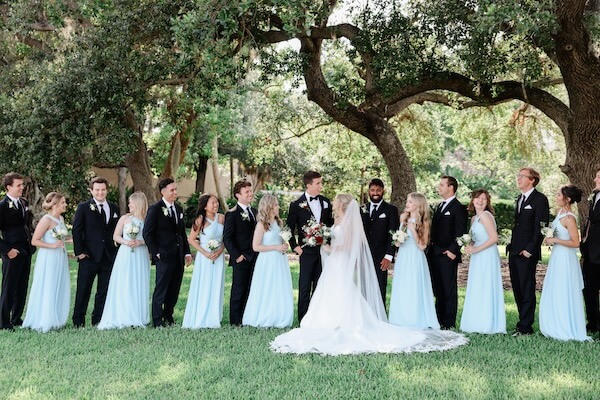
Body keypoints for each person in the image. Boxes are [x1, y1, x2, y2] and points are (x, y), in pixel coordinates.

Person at [270, 194, 468, 355]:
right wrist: (322, 241)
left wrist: (330, 249)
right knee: (335, 291)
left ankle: (343, 321)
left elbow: (346, 244)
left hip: (339, 261)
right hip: (334, 263)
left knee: (341, 290)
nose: (332, 204)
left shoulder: (347, 222)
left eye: (335, 202)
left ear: (341, 205)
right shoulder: (337, 219)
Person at [539, 185, 591, 341]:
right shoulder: (559, 213)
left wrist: (555, 239)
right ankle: (555, 322)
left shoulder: (569, 217)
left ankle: (567, 326)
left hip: (566, 260)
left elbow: (576, 242)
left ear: (567, 199)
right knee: (556, 288)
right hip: (557, 257)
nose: (556, 197)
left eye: (558, 195)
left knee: (564, 288)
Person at [143, 178, 192, 328]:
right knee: (161, 289)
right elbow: (147, 233)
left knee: (174, 288)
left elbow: (182, 233)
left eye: (175, 189)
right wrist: (156, 252)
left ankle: (168, 316)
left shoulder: (178, 209)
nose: (175, 192)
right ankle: (157, 320)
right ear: (163, 192)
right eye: (172, 190)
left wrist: (187, 252)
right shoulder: (155, 209)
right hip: (163, 256)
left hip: (178, 255)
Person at [72, 177, 120, 327]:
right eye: (97, 190)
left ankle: (98, 319)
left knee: (103, 291)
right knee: (83, 289)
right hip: (89, 256)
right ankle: (78, 320)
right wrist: (80, 252)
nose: (100, 192)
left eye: (103, 189)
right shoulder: (83, 207)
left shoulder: (114, 208)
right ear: (91, 191)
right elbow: (76, 231)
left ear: (107, 190)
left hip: (108, 256)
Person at [98, 192, 150, 329]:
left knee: (138, 282)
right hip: (125, 254)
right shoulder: (125, 219)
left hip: (140, 254)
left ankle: (138, 315)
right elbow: (115, 236)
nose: (129, 205)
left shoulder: (147, 220)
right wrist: (126, 242)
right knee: (125, 282)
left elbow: (151, 239)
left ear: (138, 203)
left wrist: (140, 241)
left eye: (131, 202)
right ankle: (123, 314)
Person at [286, 171, 333, 322]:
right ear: (309, 185)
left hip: (323, 251)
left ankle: (317, 317)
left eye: (321, 182)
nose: (321, 186)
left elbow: (330, 225)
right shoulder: (296, 204)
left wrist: (328, 243)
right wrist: (295, 247)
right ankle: (303, 319)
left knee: (320, 285)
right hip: (306, 252)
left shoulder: (326, 202)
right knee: (305, 285)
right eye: (318, 183)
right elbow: (288, 229)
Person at [507, 167, 549, 336]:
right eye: (518, 176)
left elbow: (541, 227)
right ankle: (520, 323)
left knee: (526, 288)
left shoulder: (540, 199)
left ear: (532, 180)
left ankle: (526, 327)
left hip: (526, 253)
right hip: (514, 251)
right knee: (517, 288)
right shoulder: (519, 199)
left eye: (522, 176)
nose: (518, 179)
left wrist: (529, 250)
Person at [388, 193, 439, 329]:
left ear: (418, 204)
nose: (407, 204)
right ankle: (400, 318)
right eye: (407, 201)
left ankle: (415, 318)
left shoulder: (424, 222)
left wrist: (413, 231)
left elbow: (422, 246)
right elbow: (398, 243)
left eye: (410, 202)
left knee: (414, 286)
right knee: (402, 286)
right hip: (403, 257)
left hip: (415, 258)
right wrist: (398, 238)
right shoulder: (404, 218)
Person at [243, 194, 294, 328]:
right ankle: (265, 315)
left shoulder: (279, 223)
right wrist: (276, 247)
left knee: (278, 287)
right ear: (269, 206)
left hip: (279, 260)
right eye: (276, 205)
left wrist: (283, 245)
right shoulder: (261, 225)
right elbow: (256, 246)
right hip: (267, 260)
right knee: (267, 287)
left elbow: (280, 240)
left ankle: (279, 315)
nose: (278, 207)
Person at [22, 192, 70, 332]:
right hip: (48, 257)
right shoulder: (46, 220)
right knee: (48, 284)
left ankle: (56, 317)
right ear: (54, 205)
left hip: (60, 256)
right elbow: (34, 240)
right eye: (62, 203)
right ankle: (45, 319)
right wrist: (51, 246)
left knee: (58, 284)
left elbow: (60, 239)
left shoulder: (60, 218)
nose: (65, 205)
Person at [460, 189, 506, 334]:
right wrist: (469, 246)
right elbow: (476, 238)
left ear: (487, 202)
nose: (480, 201)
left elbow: (494, 238)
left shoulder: (486, 216)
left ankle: (487, 323)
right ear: (473, 200)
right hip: (477, 256)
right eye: (478, 198)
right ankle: (475, 321)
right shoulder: (474, 219)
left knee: (486, 286)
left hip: (487, 255)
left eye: (484, 199)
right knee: (477, 286)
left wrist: (476, 249)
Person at [428, 176, 468, 329]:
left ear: (451, 187)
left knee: (448, 289)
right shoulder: (439, 206)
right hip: (434, 253)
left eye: (442, 185)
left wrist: (453, 251)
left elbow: (461, 232)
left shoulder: (459, 208)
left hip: (447, 255)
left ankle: (448, 322)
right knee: (438, 288)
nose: (439, 187)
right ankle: (438, 319)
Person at [182, 194, 225, 329]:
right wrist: (205, 252)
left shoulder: (222, 218)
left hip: (219, 257)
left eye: (217, 202)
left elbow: (226, 238)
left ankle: (214, 317)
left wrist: (219, 251)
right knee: (205, 284)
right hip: (205, 258)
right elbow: (191, 239)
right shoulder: (200, 220)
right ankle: (201, 315)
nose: (215, 205)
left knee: (217, 284)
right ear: (205, 206)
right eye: (212, 203)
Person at [0, 172, 35, 330]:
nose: (22, 188)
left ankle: (16, 318)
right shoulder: (2, 206)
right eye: (19, 185)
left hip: (26, 250)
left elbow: (26, 225)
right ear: (9, 187)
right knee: (9, 288)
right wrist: (7, 250)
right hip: (12, 252)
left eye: (22, 184)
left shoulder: (23, 202)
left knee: (22, 286)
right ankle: (3, 321)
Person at [223, 180, 258, 326]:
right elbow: (227, 238)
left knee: (251, 288)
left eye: (251, 191)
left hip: (256, 256)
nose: (250, 194)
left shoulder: (256, 212)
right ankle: (235, 321)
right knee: (238, 289)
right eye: (247, 192)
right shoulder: (232, 214)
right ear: (238, 195)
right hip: (241, 258)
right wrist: (237, 256)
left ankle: (247, 317)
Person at [361, 178, 400, 305]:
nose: (375, 193)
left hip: (382, 256)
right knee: (363, 287)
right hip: (364, 255)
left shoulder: (391, 210)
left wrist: (389, 256)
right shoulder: (362, 209)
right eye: (372, 190)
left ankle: (380, 318)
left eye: (378, 190)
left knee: (380, 287)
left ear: (383, 191)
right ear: (369, 191)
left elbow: (393, 234)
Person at [581, 167, 600, 334]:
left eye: (598, 177)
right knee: (589, 290)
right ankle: (593, 323)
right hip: (590, 253)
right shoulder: (595, 197)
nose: (595, 180)